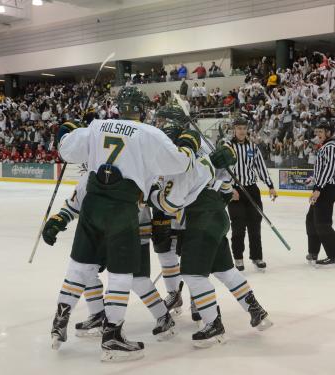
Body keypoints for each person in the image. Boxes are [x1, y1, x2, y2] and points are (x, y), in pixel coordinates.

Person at [52, 87, 201, 362]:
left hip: (93, 204)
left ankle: (59, 319)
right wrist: (190, 141)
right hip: (122, 208)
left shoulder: (97, 125)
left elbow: (66, 149)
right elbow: (179, 163)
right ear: (141, 109)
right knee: (122, 273)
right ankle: (112, 337)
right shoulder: (148, 133)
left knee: (81, 265)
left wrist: (68, 127)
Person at [149, 128, 272, 348]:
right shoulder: (207, 159)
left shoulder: (182, 168)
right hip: (217, 217)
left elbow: (169, 204)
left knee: (192, 274)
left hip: (201, 221)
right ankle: (257, 311)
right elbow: (226, 189)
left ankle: (213, 323)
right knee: (226, 271)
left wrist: (151, 195)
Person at [43, 170, 176, 341]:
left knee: (137, 279)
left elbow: (157, 195)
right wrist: (60, 218)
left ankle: (163, 316)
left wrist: (162, 220)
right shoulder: (93, 171)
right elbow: (76, 202)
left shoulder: (137, 165)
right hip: (102, 229)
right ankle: (98, 314)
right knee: (86, 270)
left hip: (133, 230)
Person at [227, 117, 277, 272]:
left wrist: (270, 186)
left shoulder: (252, 147)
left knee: (255, 226)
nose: (241, 131)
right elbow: (222, 171)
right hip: (235, 192)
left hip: (252, 190)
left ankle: (256, 256)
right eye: (239, 128)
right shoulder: (227, 147)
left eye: (244, 128)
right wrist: (229, 188)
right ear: (234, 129)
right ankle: (238, 258)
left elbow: (260, 167)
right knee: (238, 227)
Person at [306, 118, 335, 267]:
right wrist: (314, 180)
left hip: (327, 189)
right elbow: (321, 169)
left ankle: (333, 256)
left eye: (321, 131)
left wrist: (318, 188)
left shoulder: (331, 147)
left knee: (322, 223)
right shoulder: (324, 147)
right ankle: (313, 252)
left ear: (329, 132)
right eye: (317, 131)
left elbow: (329, 170)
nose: (318, 134)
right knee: (311, 220)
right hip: (321, 186)